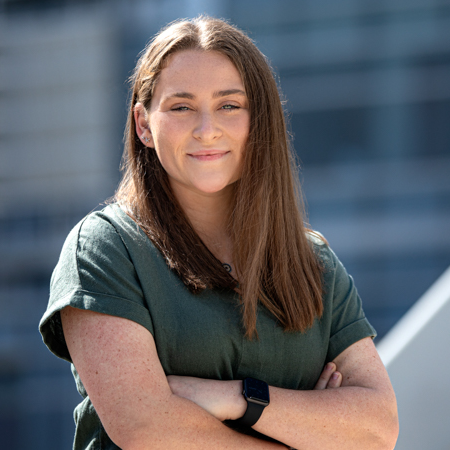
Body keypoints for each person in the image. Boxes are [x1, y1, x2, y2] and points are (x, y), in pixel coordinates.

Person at [39, 16, 398, 450]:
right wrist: (311, 428)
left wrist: (236, 399)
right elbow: (149, 431)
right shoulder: (106, 249)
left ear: (259, 121)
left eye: (229, 105)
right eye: (181, 106)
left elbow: (377, 431)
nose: (206, 128)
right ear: (143, 125)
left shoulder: (313, 262)